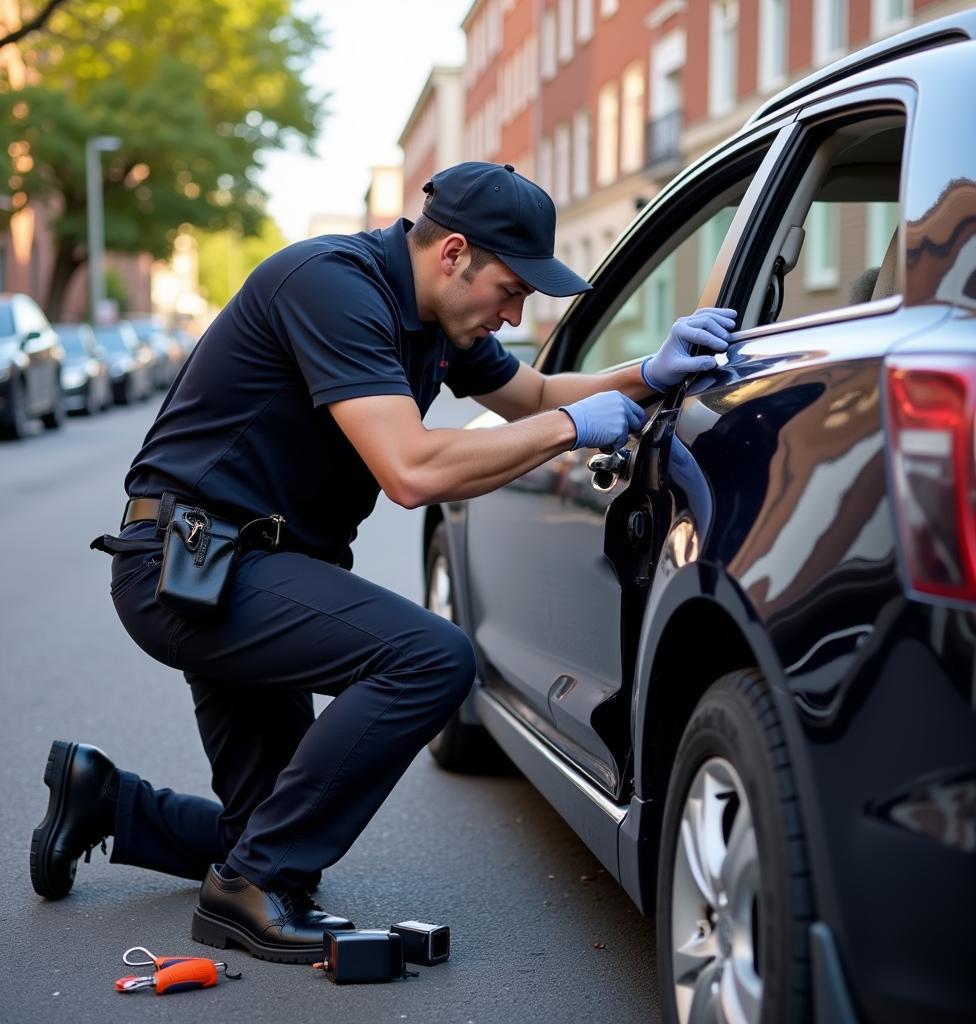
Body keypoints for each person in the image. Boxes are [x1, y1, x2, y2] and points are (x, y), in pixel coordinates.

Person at [29, 161, 735, 963]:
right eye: (510, 290)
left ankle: (108, 804)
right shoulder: (333, 287)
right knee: (432, 656)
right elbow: (414, 471)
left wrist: (647, 376)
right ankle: (248, 892)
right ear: (453, 253)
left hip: (257, 569)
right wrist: (578, 427)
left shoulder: (438, 321)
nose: (512, 314)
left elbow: (533, 398)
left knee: (267, 825)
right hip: (190, 564)